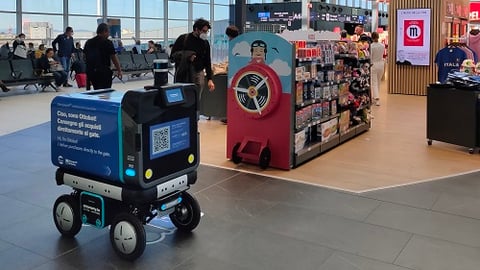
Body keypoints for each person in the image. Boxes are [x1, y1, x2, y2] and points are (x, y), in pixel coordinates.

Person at [171, 18, 215, 96]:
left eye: (207, 31)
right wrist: (187, 56)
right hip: (183, 72)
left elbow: (207, 61)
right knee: (182, 95)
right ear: (196, 29)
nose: (205, 33)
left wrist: (209, 79)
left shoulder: (205, 43)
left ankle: (195, 108)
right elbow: (172, 56)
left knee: (196, 97)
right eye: (204, 31)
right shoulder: (183, 39)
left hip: (198, 73)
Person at [83, 23, 122, 90]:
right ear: (104, 31)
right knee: (106, 92)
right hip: (104, 73)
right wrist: (119, 70)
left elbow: (84, 57)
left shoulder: (88, 42)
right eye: (108, 32)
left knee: (97, 90)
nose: (109, 34)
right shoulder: (107, 42)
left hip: (92, 72)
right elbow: (114, 57)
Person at [220, 25, 240, 124]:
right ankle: (232, 117)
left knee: (234, 97)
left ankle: (232, 117)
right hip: (237, 74)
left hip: (235, 74)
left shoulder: (235, 44)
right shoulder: (240, 42)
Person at [370, 32, 385, 106]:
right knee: (378, 82)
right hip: (381, 64)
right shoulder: (382, 45)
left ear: (372, 38)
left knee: (374, 82)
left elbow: (371, 57)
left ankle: (376, 98)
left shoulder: (371, 46)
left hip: (374, 65)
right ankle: (376, 96)